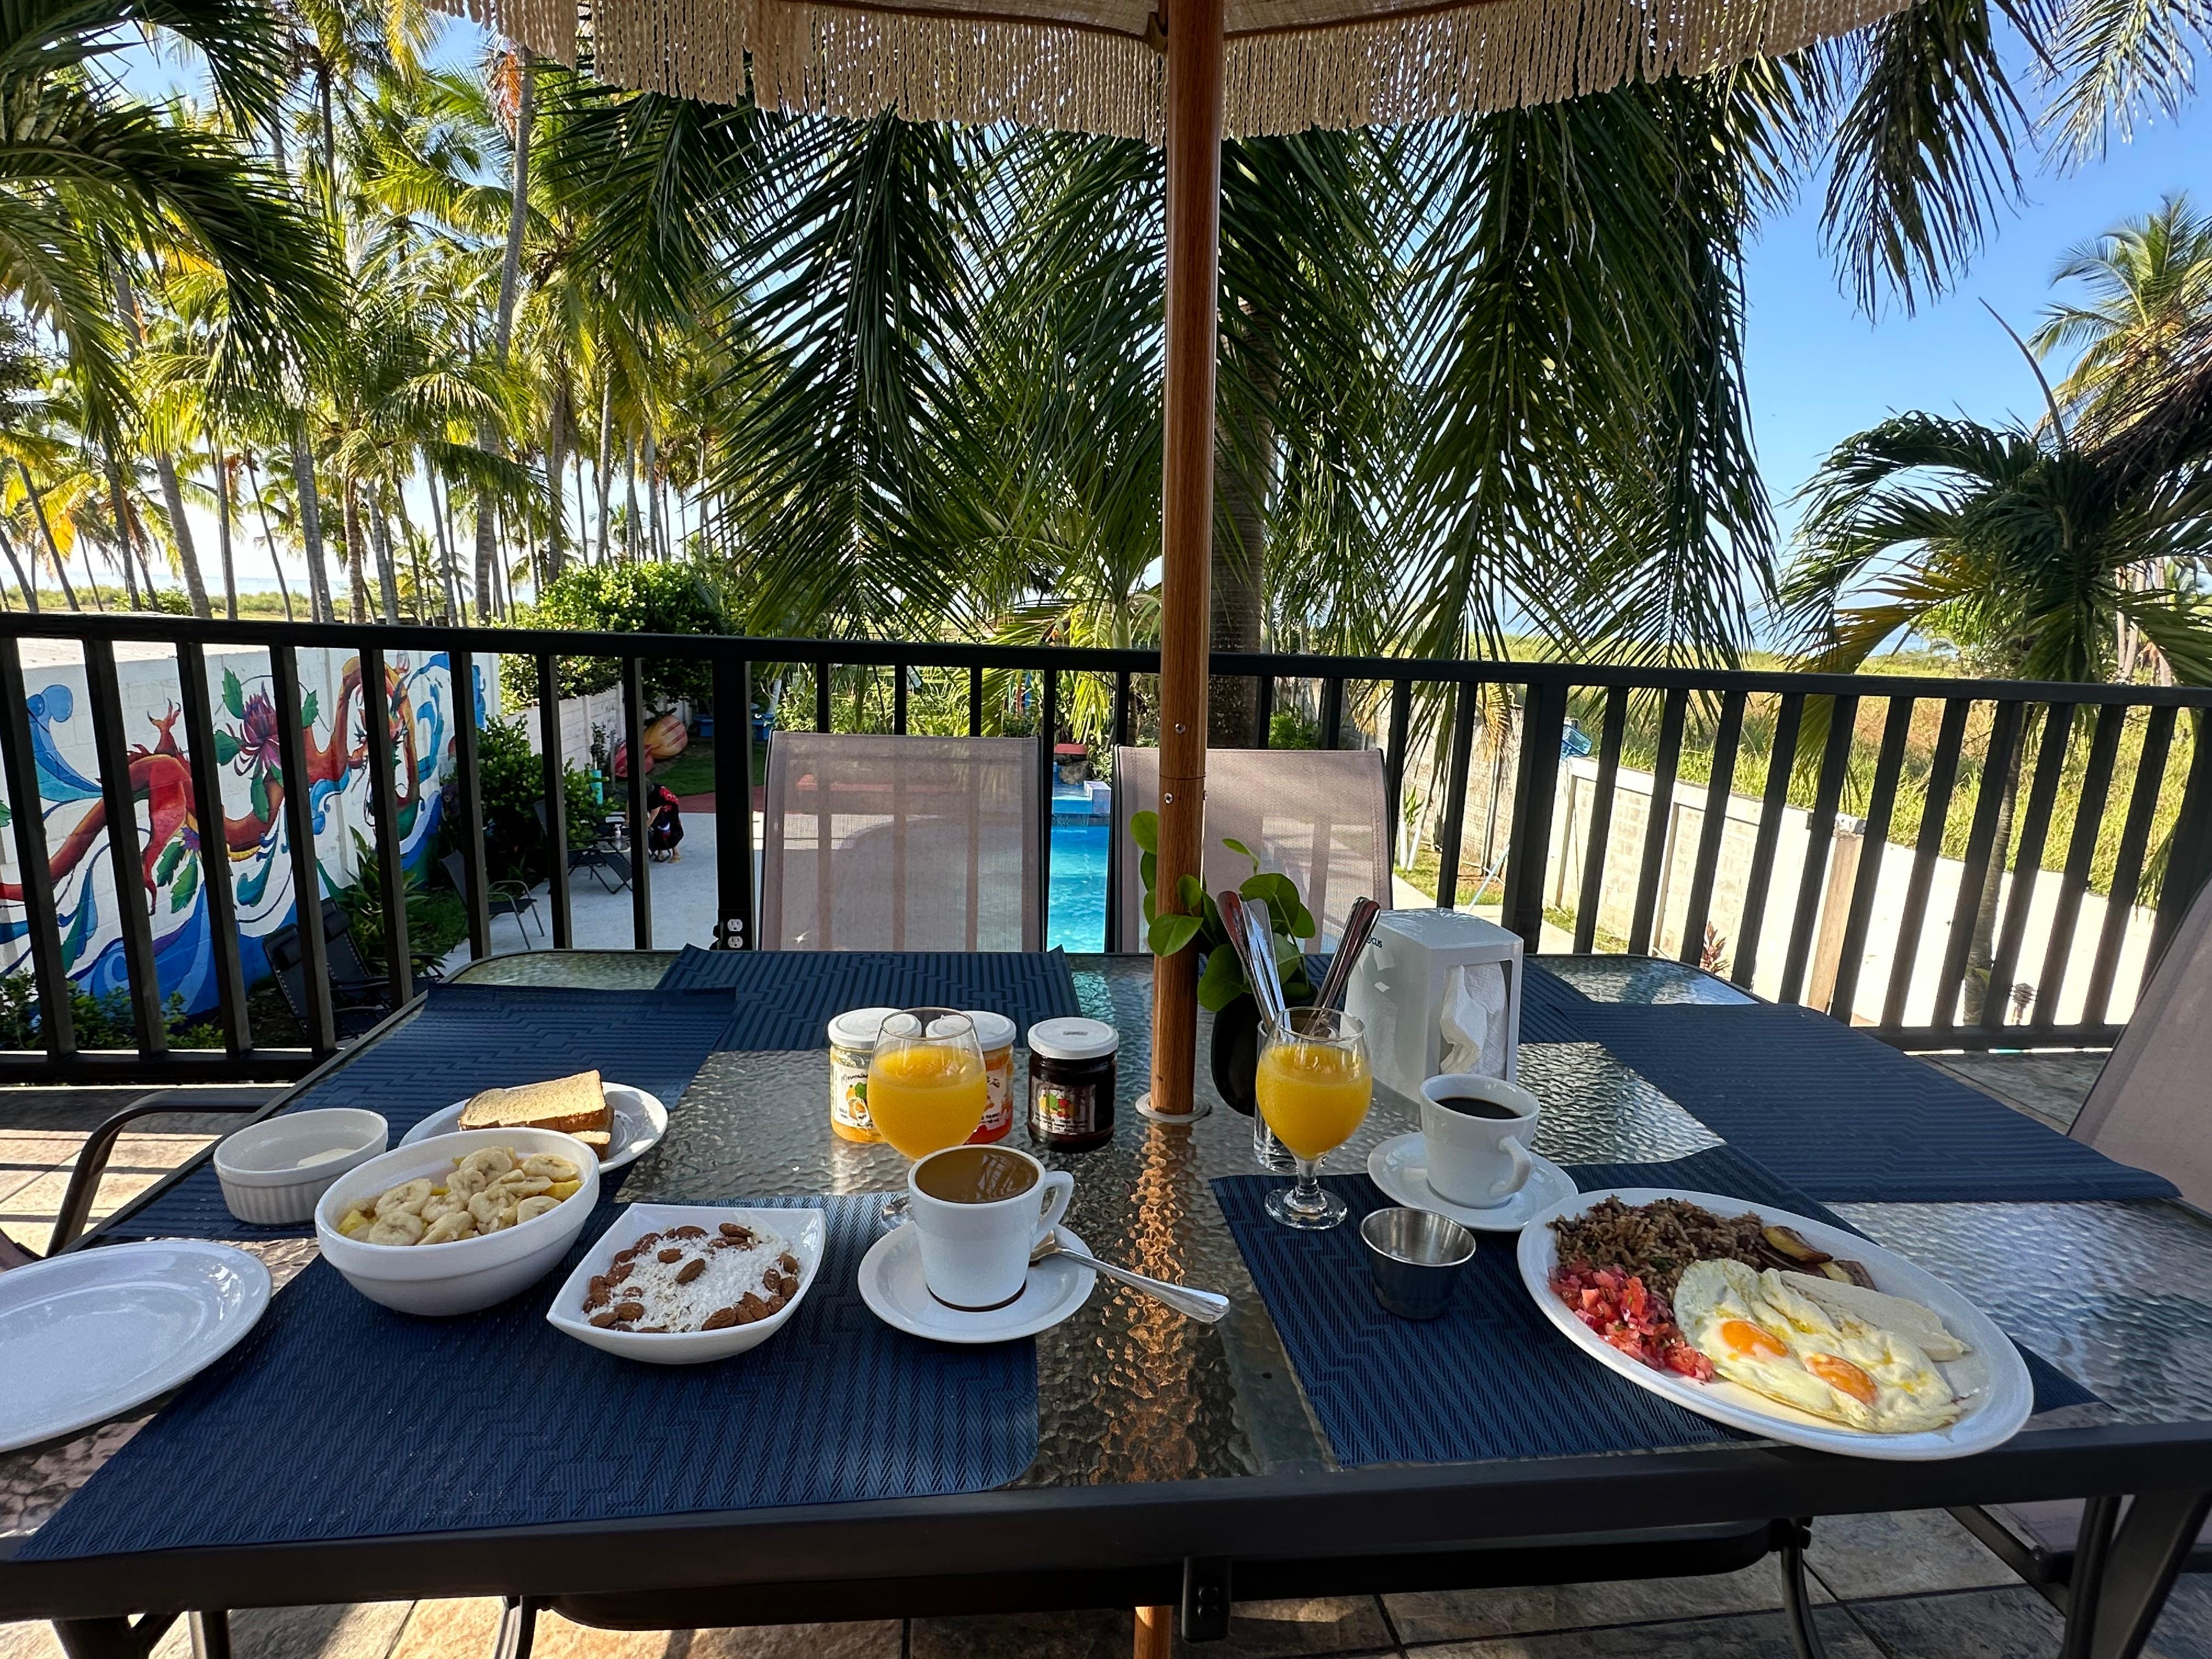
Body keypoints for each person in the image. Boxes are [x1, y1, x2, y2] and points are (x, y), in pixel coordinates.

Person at [647, 782, 685, 862]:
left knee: (670, 829)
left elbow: (653, 817)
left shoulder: (656, 795)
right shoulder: (647, 792)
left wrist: (646, 826)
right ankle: (660, 852)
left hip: (670, 807)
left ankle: (676, 853)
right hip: (659, 806)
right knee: (656, 827)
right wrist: (628, 818)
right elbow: (629, 802)